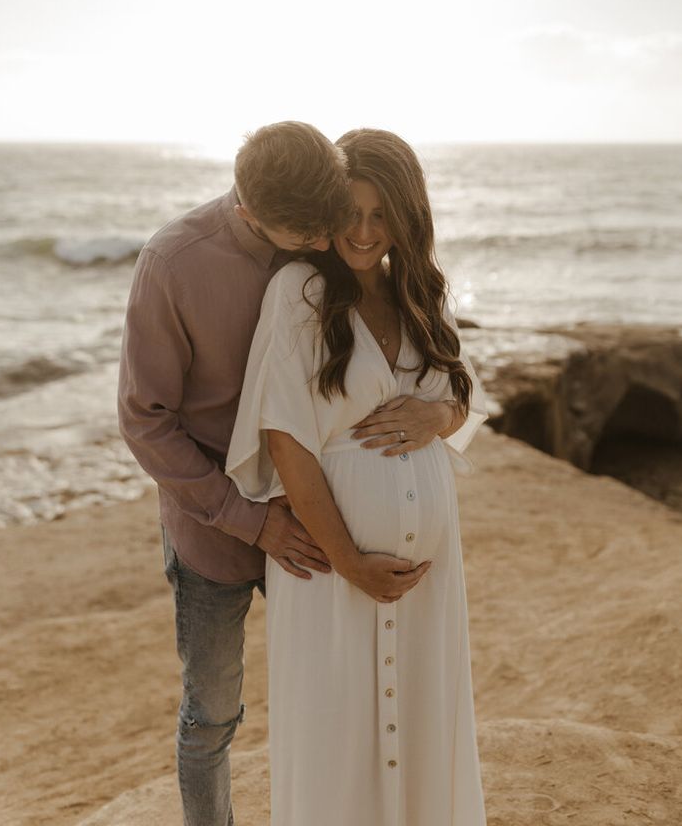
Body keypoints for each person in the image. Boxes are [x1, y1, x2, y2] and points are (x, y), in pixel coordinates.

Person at [119, 121, 435, 826]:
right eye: (311, 236)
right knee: (212, 715)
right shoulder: (174, 263)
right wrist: (254, 520)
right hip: (218, 533)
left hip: (326, 525)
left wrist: (439, 416)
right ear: (249, 214)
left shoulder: (324, 235)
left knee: (335, 695)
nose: (331, 244)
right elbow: (146, 421)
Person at [226, 128, 488, 826]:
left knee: (427, 729)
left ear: (405, 217)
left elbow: (466, 401)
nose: (365, 232)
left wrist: (438, 417)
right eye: (351, 213)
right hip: (332, 573)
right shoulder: (299, 291)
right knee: (335, 741)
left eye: (381, 216)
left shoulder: (422, 292)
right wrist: (349, 562)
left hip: (429, 576)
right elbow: (286, 441)